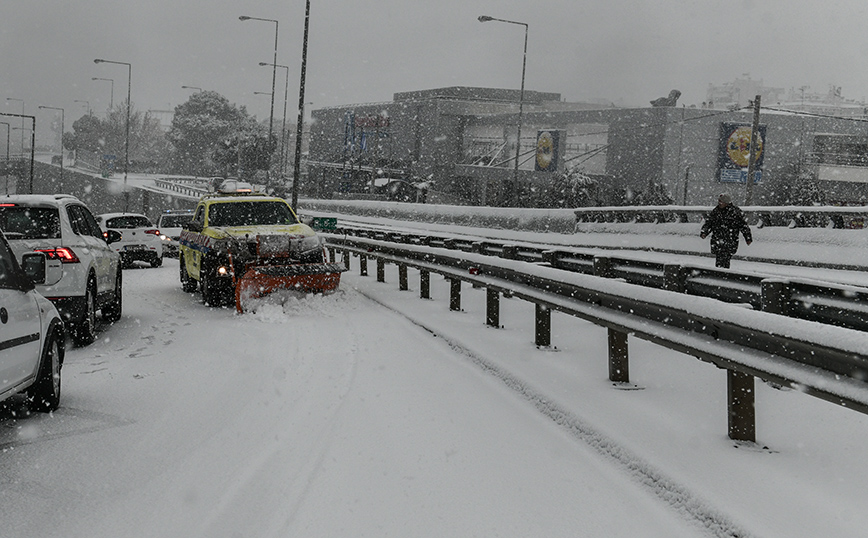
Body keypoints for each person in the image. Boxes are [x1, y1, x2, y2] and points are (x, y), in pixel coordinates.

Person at [700, 193, 752, 268]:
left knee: (725, 258)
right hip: (719, 239)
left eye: (721, 202)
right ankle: (721, 273)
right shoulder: (716, 211)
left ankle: (722, 273)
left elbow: (743, 226)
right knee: (719, 258)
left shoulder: (735, 212)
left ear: (727, 203)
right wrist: (704, 232)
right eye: (719, 201)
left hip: (729, 239)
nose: (719, 203)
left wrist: (748, 237)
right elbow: (709, 223)